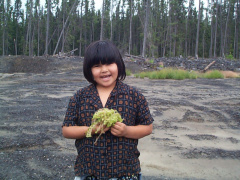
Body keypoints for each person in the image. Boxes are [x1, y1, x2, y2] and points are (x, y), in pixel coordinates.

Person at [62, 40, 154, 180]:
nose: (104, 70)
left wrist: (126, 131)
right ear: (89, 70)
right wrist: (92, 130)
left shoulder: (135, 95)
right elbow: (67, 130)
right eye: (97, 66)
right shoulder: (79, 97)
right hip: (88, 172)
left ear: (119, 65)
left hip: (126, 173)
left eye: (109, 63)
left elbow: (147, 127)